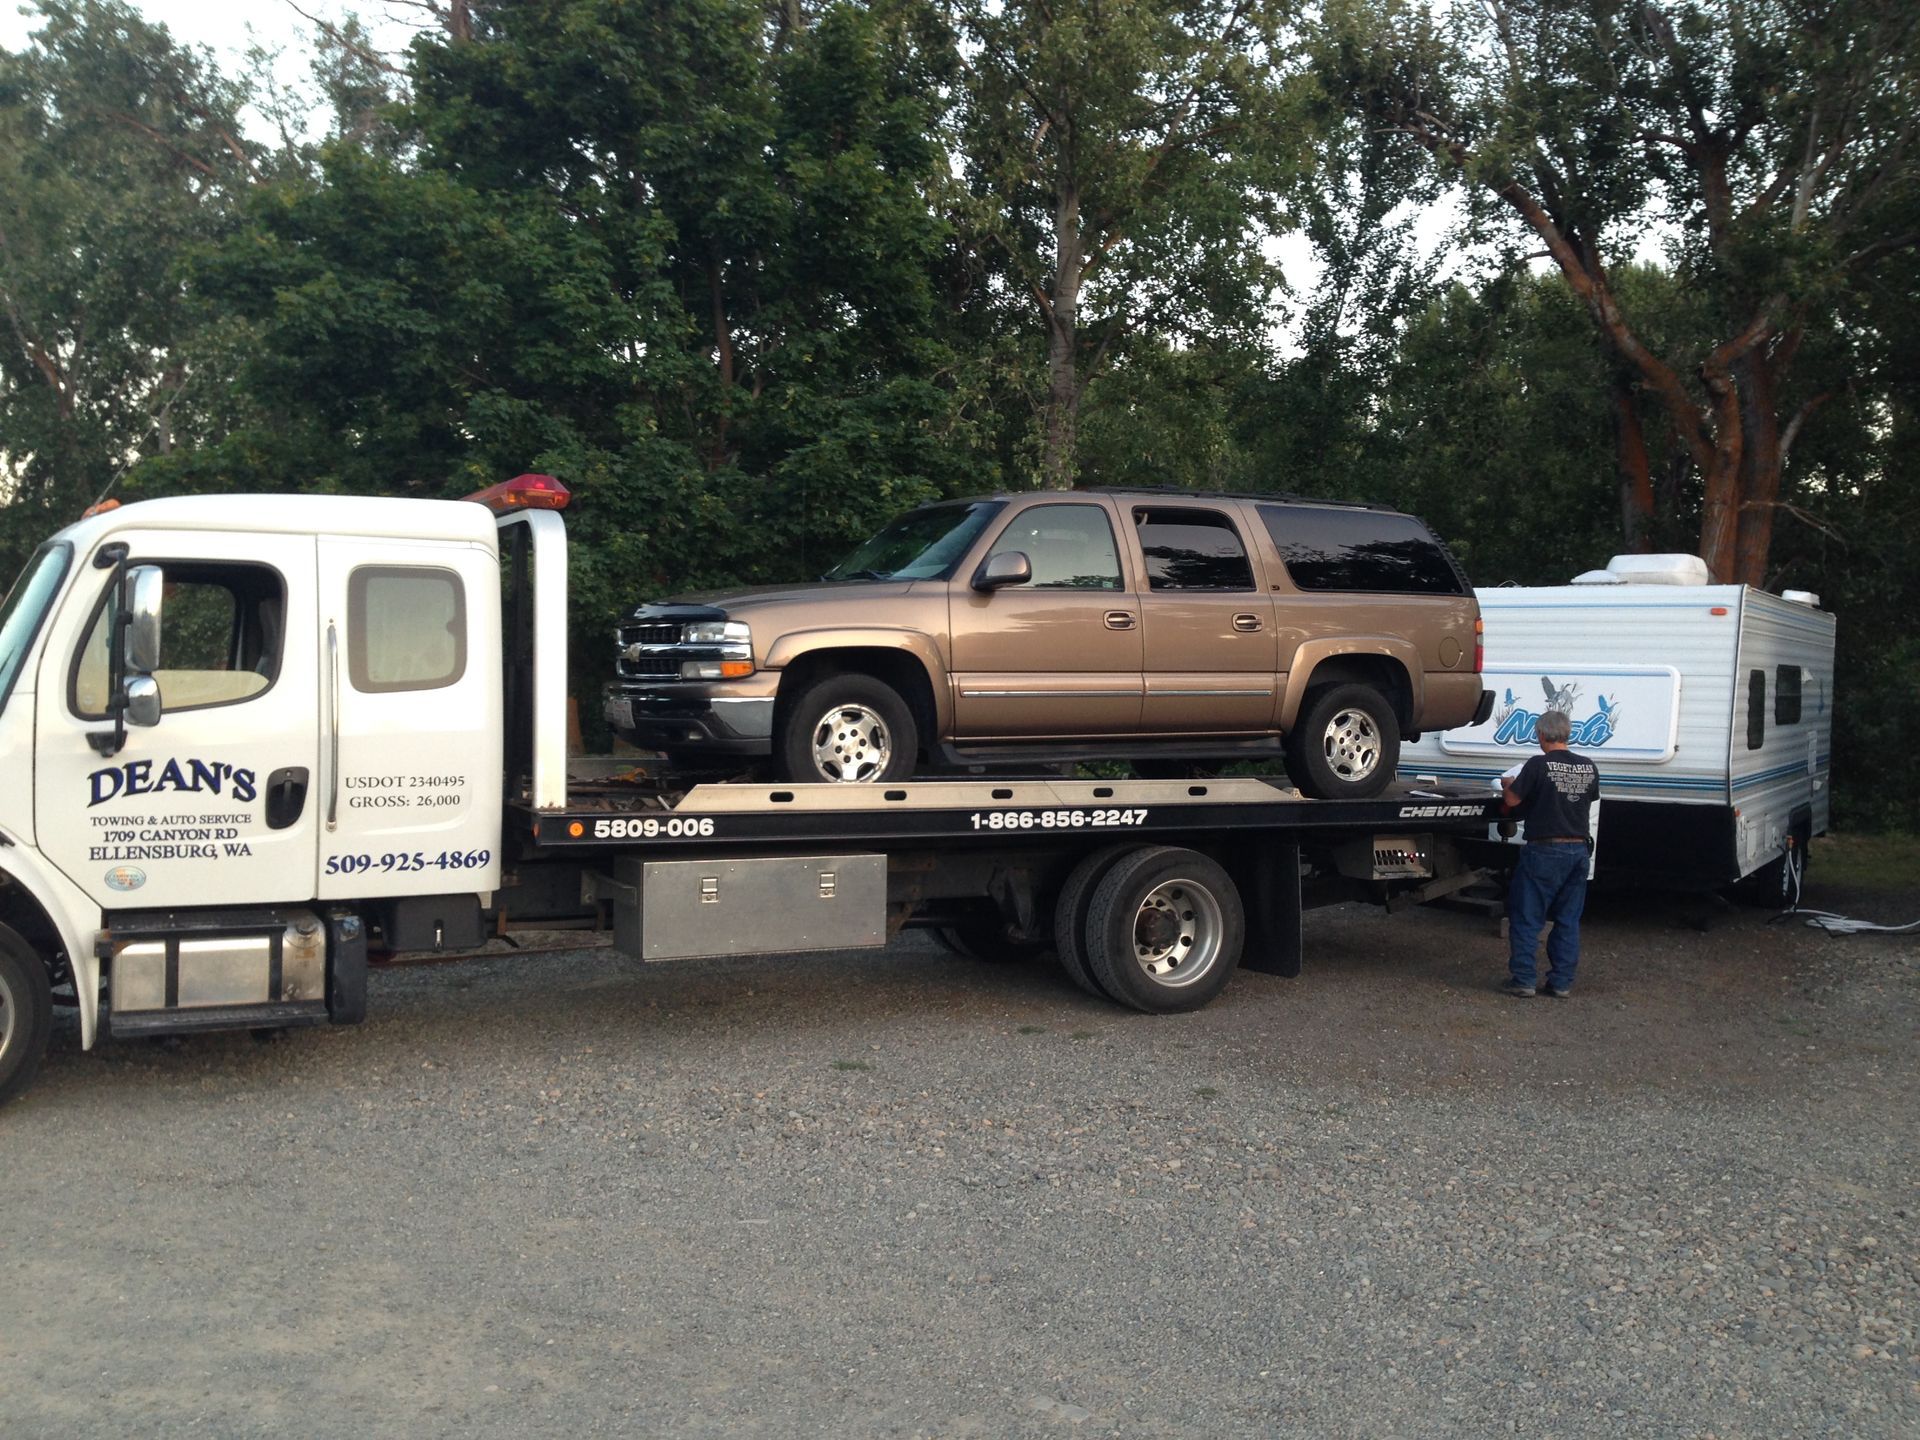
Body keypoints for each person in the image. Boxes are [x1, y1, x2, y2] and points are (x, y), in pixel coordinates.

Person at [1499, 709, 1600, 998]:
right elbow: (1587, 798)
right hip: (1579, 849)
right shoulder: (1588, 766)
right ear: (1567, 733)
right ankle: (1561, 983)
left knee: (1528, 916)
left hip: (1545, 849)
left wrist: (1507, 785)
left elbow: (1512, 799)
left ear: (1541, 735)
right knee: (1568, 919)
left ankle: (1524, 980)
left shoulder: (1538, 764)